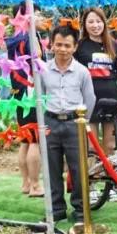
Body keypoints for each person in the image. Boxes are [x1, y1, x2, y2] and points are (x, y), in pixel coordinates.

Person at [41, 24, 95, 223]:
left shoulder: (82, 72)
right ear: (52, 45)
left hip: (75, 123)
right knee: (52, 168)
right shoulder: (43, 70)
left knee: (78, 169)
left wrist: (83, 122)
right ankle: (56, 210)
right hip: (51, 122)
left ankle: (80, 211)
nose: (62, 49)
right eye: (58, 45)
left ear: (74, 47)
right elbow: (39, 97)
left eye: (67, 45)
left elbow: (90, 99)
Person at [75, 8, 117, 158]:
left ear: (104, 23)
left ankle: (110, 173)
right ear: (85, 24)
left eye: (98, 21)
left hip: (112, 100)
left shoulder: (114, 45)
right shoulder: (80, 46)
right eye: (90, 22)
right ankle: (91, 173)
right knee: (91, 147)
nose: (95, 25)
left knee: (111, 146)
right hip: (89, 102)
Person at [6, 3, 46, 197]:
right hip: (30, 92)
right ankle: (36, 185)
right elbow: (36, 59)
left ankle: (26, 183)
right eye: (37, 15)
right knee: (34, 139)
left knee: (25, 139)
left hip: (18, 93)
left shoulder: (14, 38)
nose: (41, 18)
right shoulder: (28, 37)